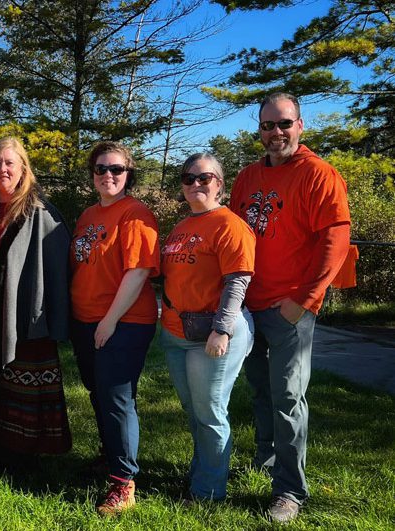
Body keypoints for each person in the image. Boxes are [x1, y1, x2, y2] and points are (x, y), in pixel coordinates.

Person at [230, 93, 350, 523]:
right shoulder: (246, 177)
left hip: (290, 310)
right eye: (267, 126)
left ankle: (289, 490)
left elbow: (335, 241)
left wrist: (304, 300)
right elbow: (232, 234)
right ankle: (266, 463)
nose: (275, 133)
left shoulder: (319, 175)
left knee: (287, 399)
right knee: (261, 392)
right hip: (249, 306)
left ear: (301, 125)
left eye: (283, 124)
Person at [0, 137, 71, 461]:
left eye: (9, 163)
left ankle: (26, 452)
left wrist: (49, 316)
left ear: (23, 168)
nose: (2, 169)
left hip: (25, 313)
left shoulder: (40, 211)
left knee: (24, 382)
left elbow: (57, 268)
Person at [69, 141, 160, 516]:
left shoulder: (137, 214)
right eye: (101, 169)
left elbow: (138, 271)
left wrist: (109, 321)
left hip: (123, 323)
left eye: (116, 169)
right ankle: (110, 458)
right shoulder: (88, 215)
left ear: (129, 174)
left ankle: (124, 482)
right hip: (85, 319)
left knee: (117, 399)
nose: (108, 175)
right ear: (92, 175)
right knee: (99, 393)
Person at [159, 153, 255, 501]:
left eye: (204, 177)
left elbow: (237, 281)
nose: (196, 184)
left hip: (211, 334)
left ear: (220, 183)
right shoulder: (182, 226)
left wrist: (223, 329)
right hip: (175, 332)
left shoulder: (229, 225)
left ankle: (208, 493)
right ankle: (201, 472)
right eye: (188, 179)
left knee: (210, 412)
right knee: (194, 410)